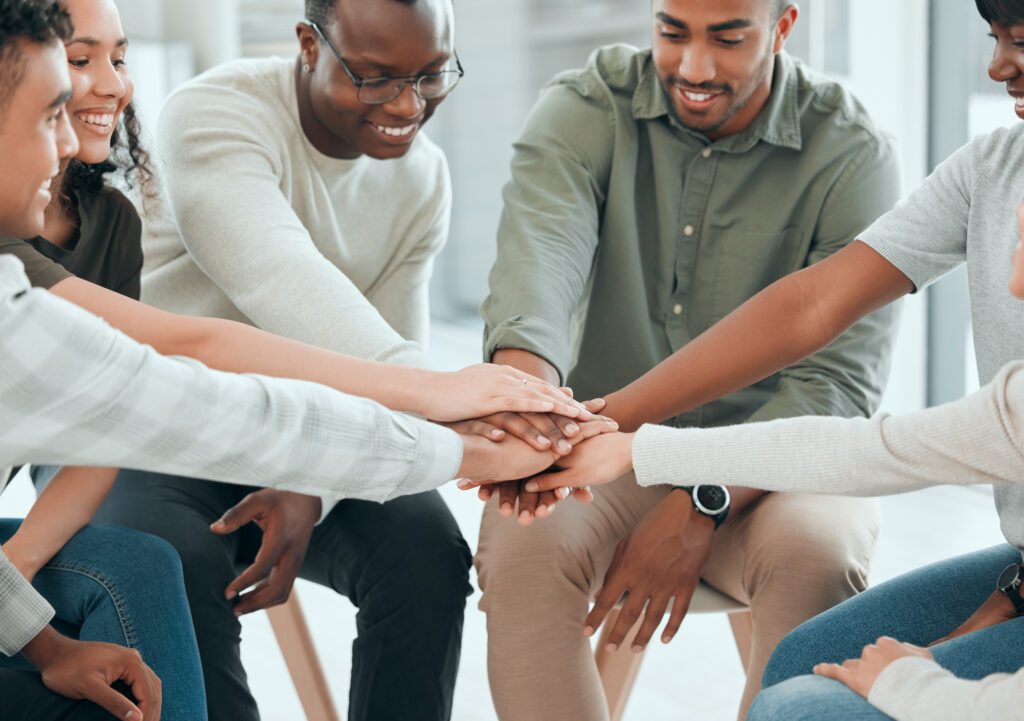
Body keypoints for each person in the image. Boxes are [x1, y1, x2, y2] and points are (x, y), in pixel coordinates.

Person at [0, 2, 606, 718]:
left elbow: (368, 353)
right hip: (168, 439)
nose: (408, 103)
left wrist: (320, 476)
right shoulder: (213, 116)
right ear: (310, 46)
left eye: (431, 76)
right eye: (53, 112)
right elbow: (226, 330)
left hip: (273, 422)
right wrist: (464, 419)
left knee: (425, 552)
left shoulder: (422, 180)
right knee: (164, 557)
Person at [473, 0, 1024, 718]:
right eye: (672, 31)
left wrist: (693, 489)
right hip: (620, 447)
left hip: (772, 473)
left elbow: (856, 415)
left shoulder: (851, 148)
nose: (695, 66)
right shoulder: (995, 165)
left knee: (804, 635)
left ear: (782, 26)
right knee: (796, 665)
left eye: (728, 37)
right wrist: (575, 427)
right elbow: (807, 305)